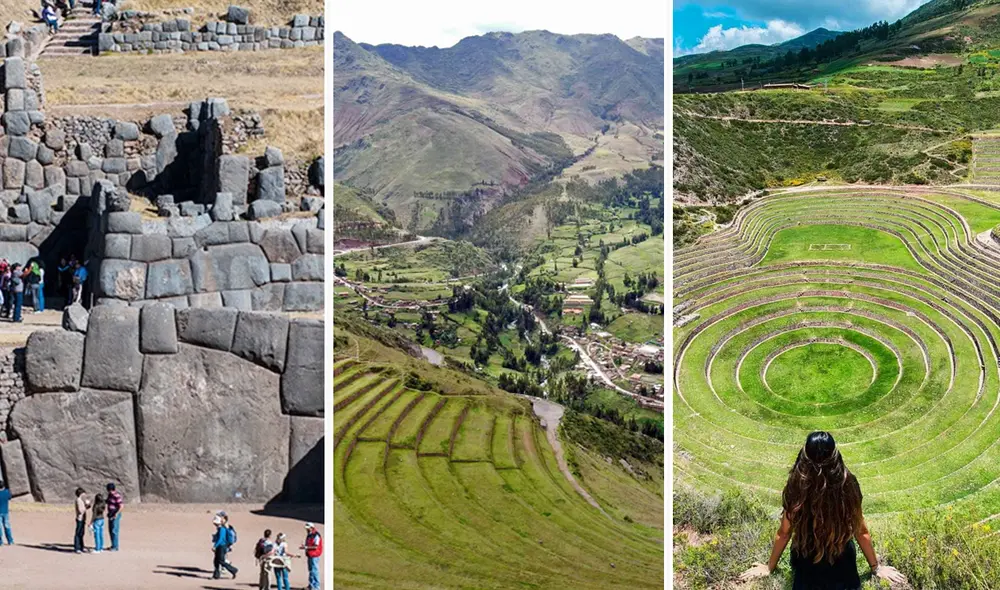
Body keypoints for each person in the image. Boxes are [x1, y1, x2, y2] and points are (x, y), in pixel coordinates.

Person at [741, 432, 908, 589]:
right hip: (843, 564)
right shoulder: (847, 485)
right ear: (835, 456)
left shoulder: (797, 488)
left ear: (804, 456)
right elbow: (861, 531)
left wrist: (769, 567)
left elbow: (784, 533)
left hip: (805, 560)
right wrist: (876, 567)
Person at [212, 514, 238, 579]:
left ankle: (233, 570)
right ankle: (216, 575)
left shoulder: (222, 529)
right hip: (221, 547)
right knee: (216, 561)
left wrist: (215, 546)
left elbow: (221, 539)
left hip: (221, 547)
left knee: (221, 561)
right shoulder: (220, 528)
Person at [301, 522, 322, 590]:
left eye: (308, 528)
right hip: (310, 554)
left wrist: (306, 547)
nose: (307, 530)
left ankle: (316, 587)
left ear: (312, 528)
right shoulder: (310, 535)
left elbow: (315, 547)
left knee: (314, 571)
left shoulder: (316, 535)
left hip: (314, 555)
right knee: (311, 570)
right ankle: (311, 585)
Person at [106, 482, 123, 551]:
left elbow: (121, 506)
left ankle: (115, 547)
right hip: (110, 514)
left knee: (114, 530)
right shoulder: (110, 495)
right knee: (110, 530)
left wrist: (117, 513)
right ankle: (113, 545)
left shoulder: (117, 496)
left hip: (115, 514)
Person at [73, 487, 90, 554]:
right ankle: (77, 547)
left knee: (82, 533)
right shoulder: (78, 500)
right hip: (80, 518)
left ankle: (81, 546)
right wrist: (86, 507)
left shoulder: (82, 500)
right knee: (78, 533)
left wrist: (87, 505)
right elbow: (80, 510)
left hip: (83, 518)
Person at [0, 480, 13, 545]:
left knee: (0, 527)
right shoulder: (7, 492)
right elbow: (10, 497)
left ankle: (0, 541)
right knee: (7, 526)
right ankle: (10, 540)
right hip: (5, 512)